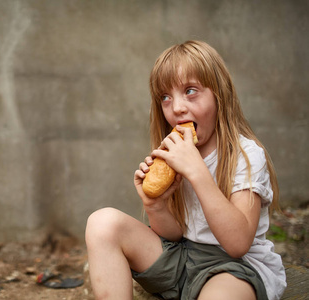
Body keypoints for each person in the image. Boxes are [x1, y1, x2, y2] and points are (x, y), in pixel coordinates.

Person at [85, 40, 286, 300]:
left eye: (190, 91)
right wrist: (155, 205)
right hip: (184, 259)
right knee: (102, 223)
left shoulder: (245, 155)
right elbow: (175, 234)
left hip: (235, 268)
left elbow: (237, 245)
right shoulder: (172, 154)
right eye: (166, 97)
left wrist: (197, 171)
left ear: (219, 95)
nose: (177, 107)